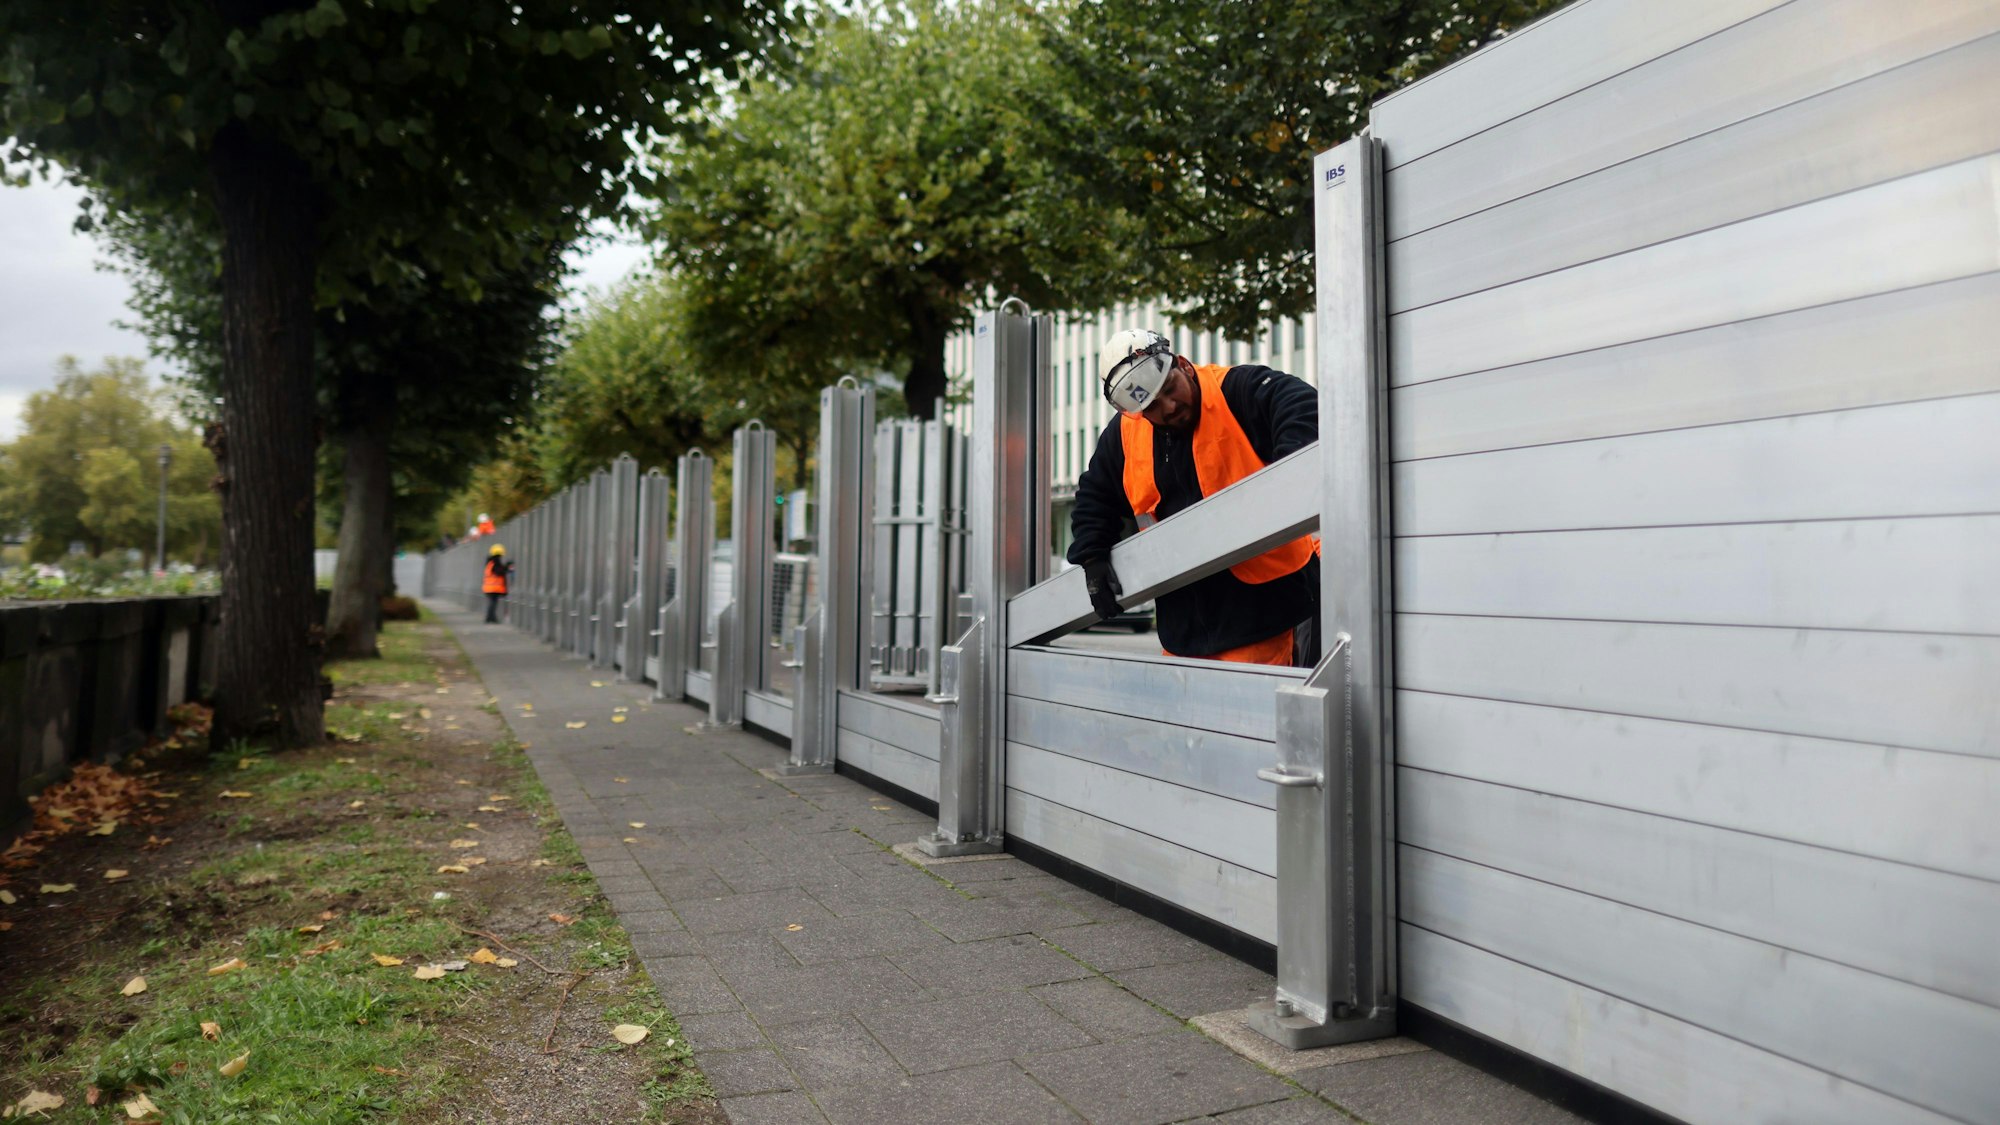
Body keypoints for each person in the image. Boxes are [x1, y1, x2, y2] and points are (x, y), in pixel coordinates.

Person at [1068, 328, 1319, 666]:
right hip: (1182, 629)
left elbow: (1303, 405)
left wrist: (1289, 476)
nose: (1170, 406)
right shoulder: (1124, 436)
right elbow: (1094, 496)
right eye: (1153, 405)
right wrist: (1092, 556)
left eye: (1170, 388)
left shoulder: (1236, 390)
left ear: (1183, 365)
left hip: (1268, 614)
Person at [482, 544, 512, 623]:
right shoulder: (495, 563)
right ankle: (490, 618)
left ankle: (491, 618)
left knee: (492, 603)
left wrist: (505, 567)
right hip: (494, 588)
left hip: (490, 587)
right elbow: (500, 572)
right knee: (493, 603)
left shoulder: (490, 563)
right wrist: (506, 567)